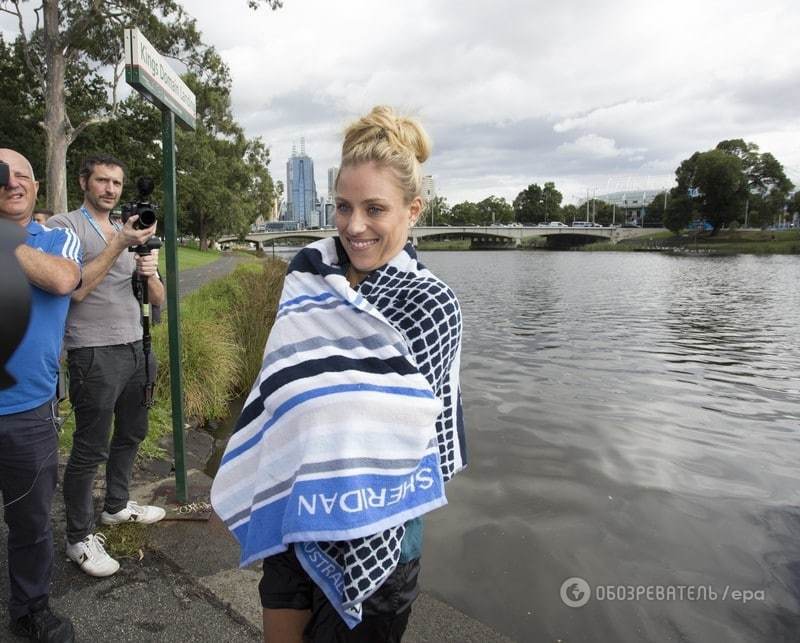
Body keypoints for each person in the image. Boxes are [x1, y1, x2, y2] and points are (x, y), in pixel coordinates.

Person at [211, 106, 467, 642]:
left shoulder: (430, 305)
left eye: (375, 209)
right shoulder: (308, 275)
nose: (354, 226)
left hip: (380, 539)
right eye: (344, 207)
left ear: (412, 210)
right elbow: (280, 384)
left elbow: (407, 435)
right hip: (292, 517)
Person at [47, 155, 166, 578]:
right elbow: (74, 289)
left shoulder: (127, 228)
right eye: (102, 181)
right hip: (92, 352)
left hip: (137, 345)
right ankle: (78, 538)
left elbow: (157, 299)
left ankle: (115, 506)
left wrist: (148, 270)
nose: (110, 189)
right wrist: (119, 244)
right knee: (89, 447)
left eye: (116, 182)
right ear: (84, 182)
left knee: (133, 432)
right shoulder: (65, 227)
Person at [0, 148, 80, 642]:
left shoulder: (55, 238)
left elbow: (64, 279)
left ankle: (29, 609)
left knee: (30, 523)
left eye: (22, 174)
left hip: (28, 412)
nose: (12, 182)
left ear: (35, 186)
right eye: (1, 175)